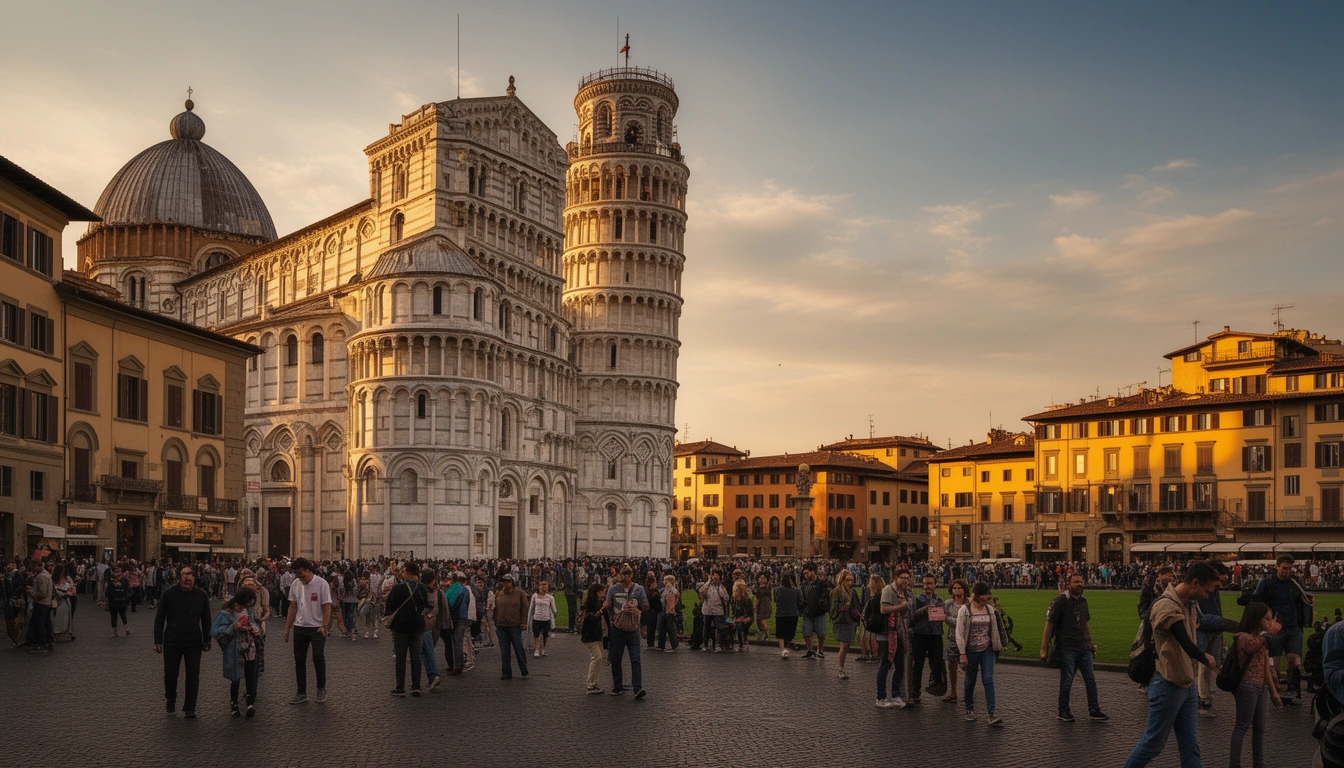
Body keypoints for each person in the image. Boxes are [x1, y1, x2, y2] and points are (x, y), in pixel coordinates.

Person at [1122, 561, 1221, 768]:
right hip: (1167, 683)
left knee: (1191, 747)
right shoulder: (1166, 605)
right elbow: (1183, 640)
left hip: (1186, 683)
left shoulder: (1189, 604)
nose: (1208, 595)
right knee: (1153, 744)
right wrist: (1205, 657)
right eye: (1206, 590)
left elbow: (1208, 622)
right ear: (1194, 583)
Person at [1042, 573, 1108, 722]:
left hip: (1083, 646)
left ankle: (1094, 709)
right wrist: (1044, 648)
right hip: (1067, 646)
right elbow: (1049, 624)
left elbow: (1085, 623)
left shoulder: (1083, 601)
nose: (1079, 584)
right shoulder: (1060, 601)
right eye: (1075, 582)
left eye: (1081, 581)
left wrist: (1090, 641)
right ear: (1069, 584)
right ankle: (1063, 710)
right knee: (1067, 680)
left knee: (1090, 679)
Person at [1248, 554, 1314, 701]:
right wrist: (1266, 619)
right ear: (1276, 566)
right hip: (1275, 628)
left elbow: (1302, 597)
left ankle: (1295, 690)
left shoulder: (1294, 582)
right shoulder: (1267, 582)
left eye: (1289, 569)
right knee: (1273, 662)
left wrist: (1308, 598)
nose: (1286, 572)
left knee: (1294, 659)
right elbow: (1255, 600)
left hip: (1294, 627)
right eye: (1284, 568)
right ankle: (1276, 689)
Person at [153, 565, 212, 718]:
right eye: (184, 575)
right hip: (172, 640)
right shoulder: (169, 593)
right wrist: (157, 641)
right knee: (170, 673)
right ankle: (171, 698)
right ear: (179, 578)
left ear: (194, 578)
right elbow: (160, 618)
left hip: (193, 641)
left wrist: (207, 640)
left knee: (193, 675)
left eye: (190, 575)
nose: (187, 579)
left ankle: (190, 707)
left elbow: (206, 619)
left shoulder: (201, 595)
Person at [1229, 602, 1282, 768]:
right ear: (1256, 619)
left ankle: (1258, 763)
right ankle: (1234, 764)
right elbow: (1253, 646)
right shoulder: (1243, 637)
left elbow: (1266, 666)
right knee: (1242, 726)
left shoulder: (1260, 639)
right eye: (1267, 618)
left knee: (1260, 728)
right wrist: (1269, 634)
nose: (1269, 622)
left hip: (1260, 688)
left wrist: (1273, 692)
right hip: (1247, 686)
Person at [283, 557, 332, 705]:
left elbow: (327, 606)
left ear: (308, 570)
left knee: (318, 657)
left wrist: (324, 626)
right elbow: (293, 606)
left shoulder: (321, 584)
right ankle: (301, 692)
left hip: (317, 628)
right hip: (300, 627)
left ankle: (321, 688)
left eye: (301, 574)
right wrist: (287, 628)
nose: (299, 577)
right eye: (296, 574)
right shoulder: (296, 584)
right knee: (299, 660)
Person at [956, 581, 1004, 727]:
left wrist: (997, 646)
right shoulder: (964, 610)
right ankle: (969, 708)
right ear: (976, 596)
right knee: (970, 680)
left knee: (988, 679)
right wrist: (962, 653)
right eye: (983, 596)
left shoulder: (989, 610)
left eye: (987, 596)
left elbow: (995, 630)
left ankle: (991, 712)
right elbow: (959, 633)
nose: (986, 599)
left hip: (987, 650)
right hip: (970, 651)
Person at [211, 587, 262, 717]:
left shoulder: (249, 611)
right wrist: (233, 627)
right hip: (235, 650)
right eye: (241, 606)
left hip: (250, 648)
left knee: (250, 676)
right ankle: (234, 703)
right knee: (236, 678)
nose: (242, 608)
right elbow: (215, 632)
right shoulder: (226, 614)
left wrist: (256, 629)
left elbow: (256, 624)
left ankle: (250, 703)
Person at [384, 562, 430, 697]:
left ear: (408, 573)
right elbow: (426, 607)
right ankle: (416, 686)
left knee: (401, 657)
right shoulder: (423, 588)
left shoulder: (398, 588)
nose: (402, 574)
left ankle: (400, 687)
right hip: (418, 626)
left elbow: (390, 607)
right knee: (416, 656)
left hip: (401, 627)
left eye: (404, 571)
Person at [604, 566, 648, 699]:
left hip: (633, 628)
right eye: (624, 575)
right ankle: (617, 686)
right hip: (617, 628)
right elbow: (608, 604)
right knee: (616, 659)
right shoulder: (613, 589)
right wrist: (610, 606)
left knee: (635, 659)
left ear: (632, 575)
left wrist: (637, 604)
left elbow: (646, 606)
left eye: (628, 574)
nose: (626, 578)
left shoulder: (638, 589)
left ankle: (637, 688)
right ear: (620, 576)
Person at [910, 573, 947, 702]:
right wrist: (924, 609)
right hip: (920, 634)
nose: (927, 586)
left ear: (935, 585)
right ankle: (915, 690)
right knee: (918, 663)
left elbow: (944, 616)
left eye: (930, 583)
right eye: (925, 583)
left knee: (937, 661)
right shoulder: (917, 599)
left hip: (935, 634)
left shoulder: (940, 600)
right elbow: (912, 617)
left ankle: (935, 684)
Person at [879, 569, 913, 707]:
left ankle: (895, 695)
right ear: (895, 578)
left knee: (900, 666)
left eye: (907, 578)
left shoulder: (905, 592)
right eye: (902, 578)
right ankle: (880, 697)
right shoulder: (888, 590)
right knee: (885, 666)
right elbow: (883, 609)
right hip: (889, 634)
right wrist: (900, 607)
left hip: (901, 634)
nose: (905, 580)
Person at [493, 574, 530, 680]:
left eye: (508, 581)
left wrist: (523, 622)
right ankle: (506, 672)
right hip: (501, 625)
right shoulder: (499, 594)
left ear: (512, 582)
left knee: (518, 647)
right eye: (504, 581)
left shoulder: (519, 593)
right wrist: (496, 622)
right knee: (504, 650)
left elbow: (525, 608)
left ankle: (523, 669)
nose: (505, 583)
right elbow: (496, 609)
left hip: (515, 625)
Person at [580, 582, 607, 694]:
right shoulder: (590, 604)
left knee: (600, 658)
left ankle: (594, 682)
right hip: (589, 635)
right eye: (601, 592)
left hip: (597, 634)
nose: (603, 594)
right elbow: (590, 619)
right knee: (597, 657)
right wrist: (601, 610)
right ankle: (590, 684)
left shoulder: (598, 602)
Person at [829, 570, 857, 677]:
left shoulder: (852, 591)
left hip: (850, 619)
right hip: (841, 620)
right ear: (842, 580)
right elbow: (833, 607)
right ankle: (840, 668)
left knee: (847, 644)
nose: (849, 582)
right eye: (847, 580)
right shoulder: (836, 591)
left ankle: (842, 665)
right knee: (844, 644)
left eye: (851, 580)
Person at [800, 563, 830, 660]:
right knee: (806, 632)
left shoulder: (821, 583)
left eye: (807, 573)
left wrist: (822, 604)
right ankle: (810, 650)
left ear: (813, 571)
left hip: (818, 611)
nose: (805, 575)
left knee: (821, 633)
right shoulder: (804, 584)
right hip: (807, 611)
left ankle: (820, 649)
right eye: (804, 573)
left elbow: (826, 596)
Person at [25, 562, 54, 653]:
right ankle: (49, 641)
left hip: (42, 603)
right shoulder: (47, 575)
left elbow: (42, 593)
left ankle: (42, 643)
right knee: (47, 623)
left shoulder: (41, 577)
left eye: (33, 567)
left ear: (37, 566)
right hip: (47, 603)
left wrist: (31, 593)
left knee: (40, 623)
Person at [698, 571, 728, 653]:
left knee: (719, 628)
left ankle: (718, 645)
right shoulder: (707, 586)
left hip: (718, 610)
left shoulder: (721, 587)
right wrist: (708, 583)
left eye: (717, 578)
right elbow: (701, 591)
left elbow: (726, 597)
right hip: (707, 610)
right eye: (714, 578)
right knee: (706, 628)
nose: (716, 580)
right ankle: (705, 644)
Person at [774, 573, 802, 659]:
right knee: (790, 633)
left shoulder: (777, 589)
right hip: (793, 614)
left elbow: (776, 600)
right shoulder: (797, 591)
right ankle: (787, 644)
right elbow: (800, 602)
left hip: (781, 614)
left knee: (780, 634)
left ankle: (783, 649)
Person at [529, 580, 557, 657]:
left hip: (545, 618)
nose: (544, 588)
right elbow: (531, 608)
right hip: (537, 617)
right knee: (536, 634)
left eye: (545, 586)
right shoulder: (534, 596)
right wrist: (529, 618)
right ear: (539, 587)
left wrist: (554, 614)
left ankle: (544, 649)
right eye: (542, 586)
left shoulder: (550, 597)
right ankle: (537, 649)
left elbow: (553, 608)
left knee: (545, 635)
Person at [657, 574, 680, 651]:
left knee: (670, 628)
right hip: (663, 609)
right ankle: (661, 644)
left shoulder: (671, 589)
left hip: (668, 610)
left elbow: (677, 594)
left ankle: (674, 644)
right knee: (661, 628)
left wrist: (671, 587)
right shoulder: (665, 589)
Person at [107, 572, 131, 637]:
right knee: (123, 615)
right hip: (122, 603)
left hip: (113, 603)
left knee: (114, 617)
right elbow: (129, 592)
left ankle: (115, 632)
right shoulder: (123, 584)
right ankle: (126, 628)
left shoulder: (111, 584)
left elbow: (107, 594)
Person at [753, 573, 773, 642]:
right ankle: (762, 633)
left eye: (763, 578)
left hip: (765, 604)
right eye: (760, 578)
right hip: (760, 604)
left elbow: (762, 593)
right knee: (758, 620)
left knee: (762, 619)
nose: (762, 579)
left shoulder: (766, 586)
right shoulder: (757, 586)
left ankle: (767, 635)